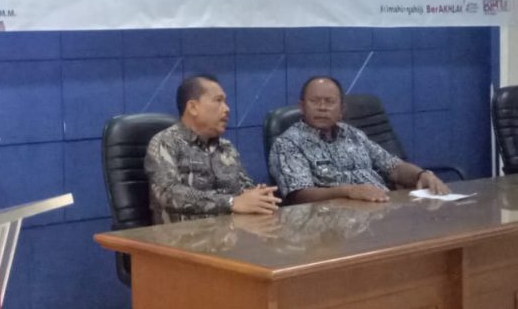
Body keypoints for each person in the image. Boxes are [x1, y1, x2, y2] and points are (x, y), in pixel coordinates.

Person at [269, 75, 450, 203]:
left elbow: (393, 167)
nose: (322, 107)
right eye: (315, 101)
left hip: (380, 210)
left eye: (329, 101)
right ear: (302, 106)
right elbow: (299, 196)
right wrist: (348, 191)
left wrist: (422, 175)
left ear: (341, 110)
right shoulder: (288, 143)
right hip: (329, 223)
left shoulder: (353, 134)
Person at [144, 74, 280, 223]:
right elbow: (168, 193)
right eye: (218, 101)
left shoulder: (226, 147)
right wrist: (230, 203)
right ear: (193, 107)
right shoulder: (166, 142)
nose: (227, 109)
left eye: (225, 102)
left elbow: (244, 187)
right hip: (181, 235)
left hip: (231, 233)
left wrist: (259, 196)